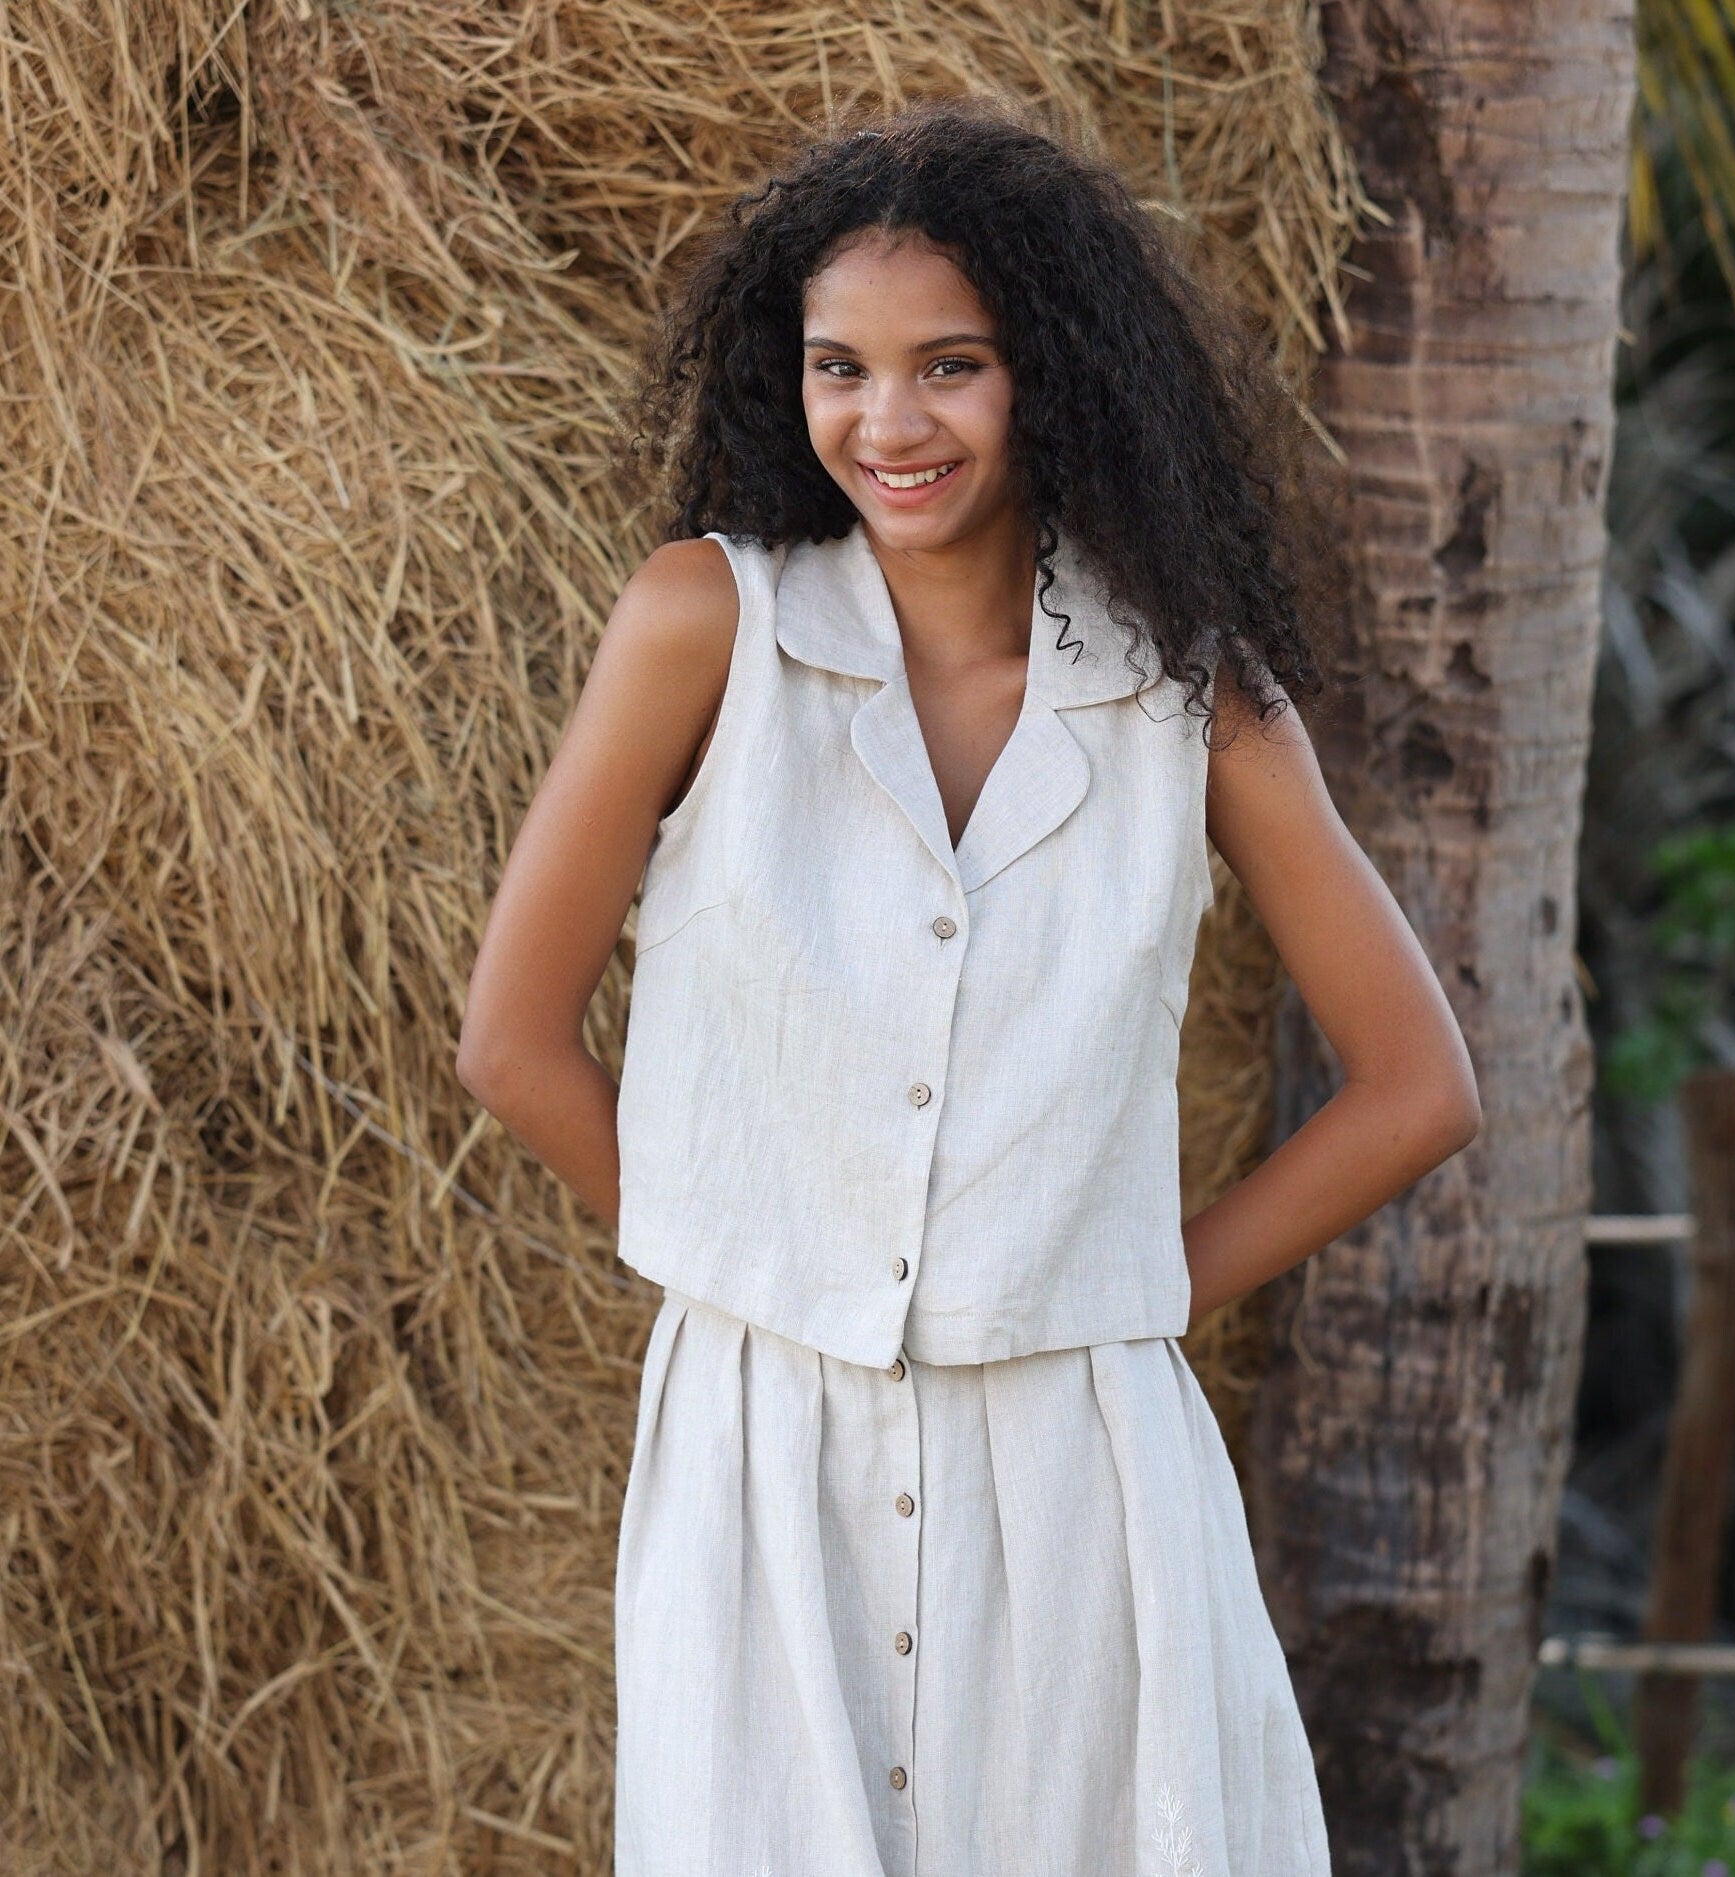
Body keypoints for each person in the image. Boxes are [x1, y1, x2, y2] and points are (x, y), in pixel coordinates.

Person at [457, 95, 1480, 1877]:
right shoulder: (707, 627)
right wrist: (765, 1268)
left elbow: (1419, 1085)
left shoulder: (1189, 700)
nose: (888, 421)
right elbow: (511, 1041)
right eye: (837, 367)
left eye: (951, 365)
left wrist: (1133, 1285)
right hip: (765, 1455)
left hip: (1083, 1470)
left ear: (1052, 376)